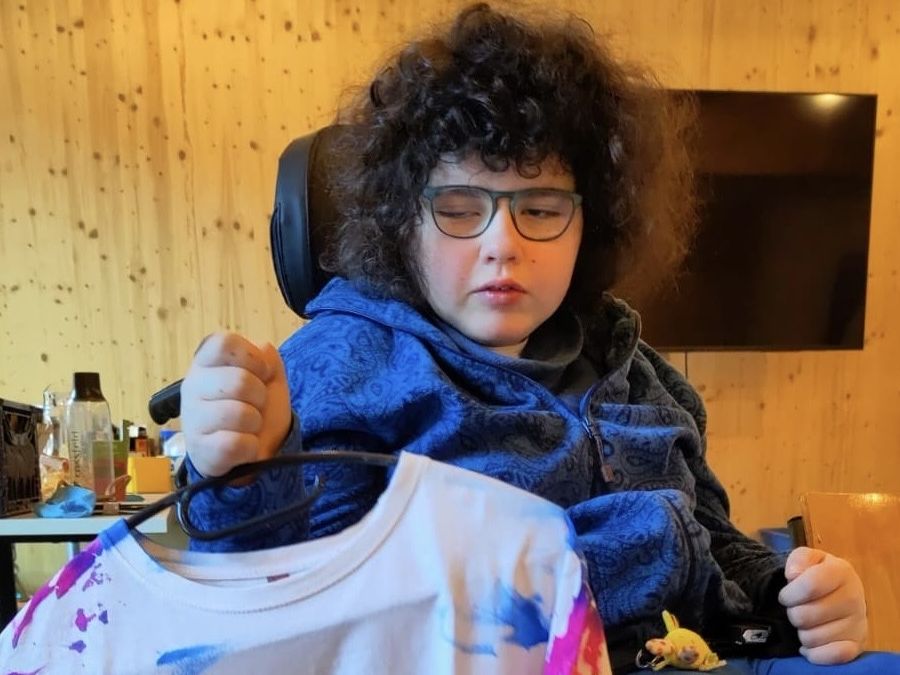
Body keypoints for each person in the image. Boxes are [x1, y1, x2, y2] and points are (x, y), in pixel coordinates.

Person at [179, 4, 892, 673]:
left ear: (591, 223)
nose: (503, 244)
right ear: (403, 224)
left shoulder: (640, 371)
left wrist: (790, 593)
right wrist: (235, 476)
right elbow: (283, 586)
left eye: (542, 209)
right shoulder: (344, 367)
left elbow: (711, 539)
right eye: (460, 208)